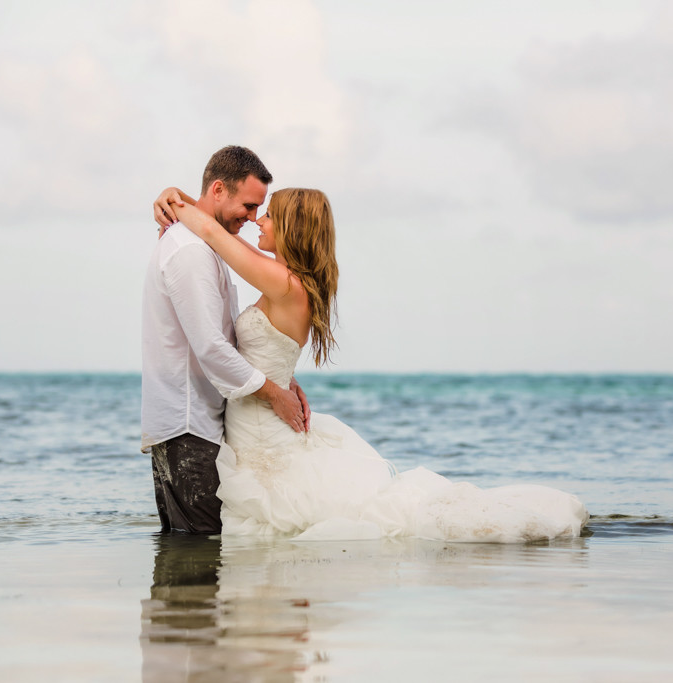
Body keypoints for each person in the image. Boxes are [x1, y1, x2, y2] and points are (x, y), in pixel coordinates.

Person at [151, 186, 589, 542]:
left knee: (282, 517)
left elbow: (215, 236)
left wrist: (176, 200)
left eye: (268, 215)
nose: (257, 221)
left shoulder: (285, 282)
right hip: (254, 420)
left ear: (289, 227)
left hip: (261, 425)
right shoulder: (289, 281)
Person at [142, 145, 310, 536]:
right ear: (218, 190)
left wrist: (282, 376)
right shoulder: (190, 252)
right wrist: (274, 392)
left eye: (260, 211)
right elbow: (211, 347)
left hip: (200, 424)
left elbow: (231, 340)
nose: (253, 219)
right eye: (249, 206)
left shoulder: (208, 246)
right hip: (190, 426)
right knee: (198, 553)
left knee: (194, 557)